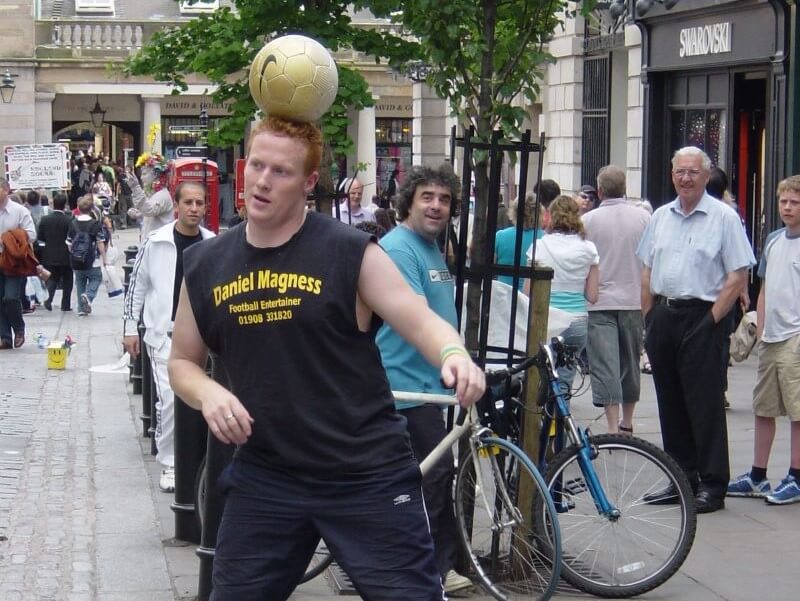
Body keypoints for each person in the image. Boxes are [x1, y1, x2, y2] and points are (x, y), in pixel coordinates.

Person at [168, 116, 485, 601]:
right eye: (257, 165)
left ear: (309, 182)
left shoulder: (349, 252)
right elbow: (182, 362)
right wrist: (208, 392)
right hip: (267, 473)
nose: (263, 181)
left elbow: (419, 319)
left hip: (365, 473)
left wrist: (454, 353)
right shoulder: (207, 264)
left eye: (281, 171)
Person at [636, 146, 755, 514]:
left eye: (692, 172)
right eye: (680, 172)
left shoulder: (724, 217)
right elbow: (646, 269)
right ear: (672, 175)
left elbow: (738, 276)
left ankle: (712, 484)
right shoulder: (660, 216)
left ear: (706, 177)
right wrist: (649, 317)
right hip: (665, 315)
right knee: (670, 403)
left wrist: (711, 322)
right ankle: (681, 478)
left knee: (704, 405)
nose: (685, 178)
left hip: (704, 317)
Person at [375, 163, 473, 596]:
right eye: (427, 198)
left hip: (431, 386)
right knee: (432, 481)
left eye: (445, 199)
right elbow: (415, 317)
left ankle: (434, 563)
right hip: (406, 388)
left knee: (432, 479)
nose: (436, 206)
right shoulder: (400, 249)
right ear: (408, 202)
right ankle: (433, 572)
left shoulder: (433, 248)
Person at [123, 181, 214, 493]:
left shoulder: (212, 244)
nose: (193, 209)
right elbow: (137, 287)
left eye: (199, 203)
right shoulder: (157, 242)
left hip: (201, 335)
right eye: (188, 202)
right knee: (170, 400)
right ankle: (171, 461)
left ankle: (197, 457)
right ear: (176, 205)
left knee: (200, 399)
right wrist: (129, 329)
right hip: (163, 333)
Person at [727, 175, 800, 505]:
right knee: (764, 406)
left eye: (795, 202)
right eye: (784, 201)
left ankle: (796, 477)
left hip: (796, 336)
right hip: (772, 337)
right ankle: (758, 475)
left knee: (798, 411)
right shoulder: (773, 240)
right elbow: (766, 287)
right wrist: (760, 326)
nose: (787, 207)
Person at [582, 165, 650, 434]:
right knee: (630, 362)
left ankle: (611, 426)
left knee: (605, 364)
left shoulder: (588, 221)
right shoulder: (644, 218)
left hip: (599, 302)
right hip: (634, 299)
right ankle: (628, 421)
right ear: (625, 189)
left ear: (599, 191)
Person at [525, 195, 599, 389]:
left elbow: (527, 292)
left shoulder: (539, 246)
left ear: (551, 216)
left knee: (542, 375)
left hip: (547, 319)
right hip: (577, 320)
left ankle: (543, 416)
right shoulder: (589, 249)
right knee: (565, 379)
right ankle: (560, 415)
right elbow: (592, 295)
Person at [0, 177, 36, 349]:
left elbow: (32, 234)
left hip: (13, 261)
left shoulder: (19, 211)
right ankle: (5, 337)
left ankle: (19, 328)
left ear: (6, 190)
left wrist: (13, 238)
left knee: (11, 297)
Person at [67, 195, 108, 316]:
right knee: (96, 278)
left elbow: (69, 243)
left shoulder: (73, 223)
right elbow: (100, 243)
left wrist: (74, 255)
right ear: (91, 209)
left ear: (78, 209)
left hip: (77, 260)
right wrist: (104, 259)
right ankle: (88, 296)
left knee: (80, 282)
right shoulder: (95, 224)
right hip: (92, 259)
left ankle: (81, 308)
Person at [495, 191, 545, 289]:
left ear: (513, 212)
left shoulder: (500, 236)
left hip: (503, 293)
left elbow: (489, 266)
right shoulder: (545, 239)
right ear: (539, 213)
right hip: (531, 296)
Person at [36, 191, 74, 312]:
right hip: (66, 255)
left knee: (52, 278)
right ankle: (65, 304)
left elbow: (40, 237)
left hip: (49, 253)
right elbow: (72, 237)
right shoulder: (69, 220)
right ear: (65, 205)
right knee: (68, 279)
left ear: (53, 205)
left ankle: (48, 299)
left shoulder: (45, 219)